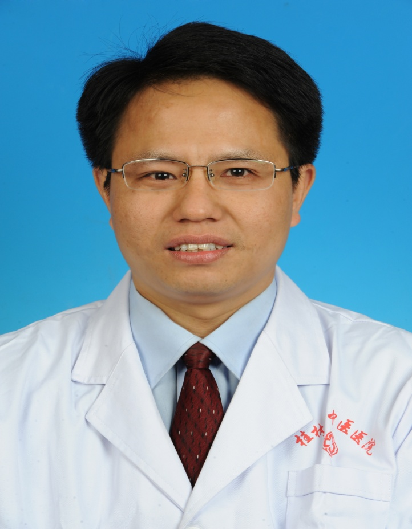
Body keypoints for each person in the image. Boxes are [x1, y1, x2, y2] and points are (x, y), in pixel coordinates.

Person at [0, 22, 410, 529]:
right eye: (158, 174)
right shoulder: (11, 385)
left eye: (238, 172)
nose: (196, 208)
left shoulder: (399, 386)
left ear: (298, 189)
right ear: (106, 189)